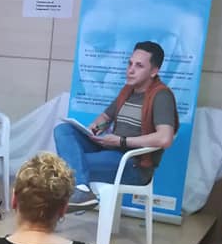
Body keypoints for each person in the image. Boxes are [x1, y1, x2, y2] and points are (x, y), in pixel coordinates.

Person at [53, 41, 178, 210]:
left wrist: (121, 141)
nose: (131, 70)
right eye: (130, 63)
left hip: (133, 164)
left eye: (139, 66)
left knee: (69, 164)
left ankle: (79, 191)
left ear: (154, 71)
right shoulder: (128, 90)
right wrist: (95, 127)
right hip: (111, 150)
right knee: (63, 130)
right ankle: (81, 189)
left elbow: (165, 138)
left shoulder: (162, 96)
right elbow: (106, 117)